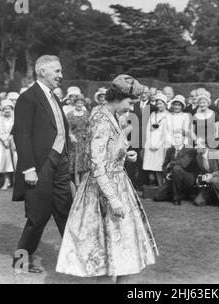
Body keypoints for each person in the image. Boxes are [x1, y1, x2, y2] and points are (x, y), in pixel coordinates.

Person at [56, 74, 158, 282]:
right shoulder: (101, 120)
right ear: (118, 97)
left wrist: (125, 155)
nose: (131, 107)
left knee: (124, 251)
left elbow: (110, 151)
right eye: (130, 102)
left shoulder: (112, 116)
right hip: (102, 191)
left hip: (119, 183)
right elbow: (97, 165)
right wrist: (113, 198)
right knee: (106, 253)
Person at [11, 55, 73, 273]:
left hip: (61, 163)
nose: (61, 76)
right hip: (40, 165)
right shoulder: (28, 98)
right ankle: (20, 263)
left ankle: (76, 258)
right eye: (57, 71)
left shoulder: (54, 97)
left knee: (66, 211)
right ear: (42, 71)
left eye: (61, 71)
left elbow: (57, 128)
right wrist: (29, 169)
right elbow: (22, 134)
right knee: (38, 216)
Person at [154, 130, 198, 205]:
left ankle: (177, 198)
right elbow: (164, 165)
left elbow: (184, 164)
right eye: (174, 138)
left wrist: (171, 163)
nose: (176, 140)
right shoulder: (170, 150)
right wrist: (166, 175)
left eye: (178, 137)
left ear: (183, 139)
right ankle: (182, 193)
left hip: (188, 179)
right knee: (158, 197)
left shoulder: (190, 149)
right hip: (173, 178)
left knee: (177, 168)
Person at [193, 138, 219, 208]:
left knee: (214, 180)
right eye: (195, 145)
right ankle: (214, 197)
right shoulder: (198, 157)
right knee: (198, 202)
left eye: (197, 145)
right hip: (210, 183)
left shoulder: (216, 153)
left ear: (204, 145)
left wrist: (212, 175)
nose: (195, 147)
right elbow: (203, 170)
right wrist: (199, 176)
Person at [143, 93, 172, 186]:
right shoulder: (153, 114)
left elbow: (167, 132)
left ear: (165, 104)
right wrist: (149, 142)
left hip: (162, 142)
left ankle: (162, 187)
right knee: (151, 166)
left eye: (161, 103)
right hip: (151, 141)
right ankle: (155, 186)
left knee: (160, 166)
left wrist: (158, 145)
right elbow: (148, 129)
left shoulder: (168, 115)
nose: (159, 105)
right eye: (157, 103)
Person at [67, 94, 90, 186]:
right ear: (74, 103)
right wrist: (71, 135)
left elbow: (89, 127)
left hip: (84, 142)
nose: (79, 104)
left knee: (84, 164)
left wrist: (88, 137)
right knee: (76, 164)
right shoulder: (70, 115)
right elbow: (67, 128)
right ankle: (76, 185)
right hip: (74, 142)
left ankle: (84, 185)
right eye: (78, 102)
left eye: (81, 102)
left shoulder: (87, 114)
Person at [0, 99, 17, 190]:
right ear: (2, 110)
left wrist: (10, 138)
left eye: (9, 108)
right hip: (2, 143)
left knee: (15, 161)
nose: (7, 110)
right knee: (5, 162)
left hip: (13, 141)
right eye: (5, 109)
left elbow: (17, 129)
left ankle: (16, 181)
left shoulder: (15, 119)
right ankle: (6, 181)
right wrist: (4, 139)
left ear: (12, 109)